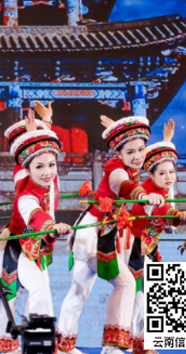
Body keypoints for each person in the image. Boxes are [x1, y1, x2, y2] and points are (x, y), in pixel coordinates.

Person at [57, 116, 165, 354]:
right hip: (93, 233)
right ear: (118, 153)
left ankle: (64, 346)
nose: (137, 156)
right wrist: (141, 195)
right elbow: (121, 184)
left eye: (141, 149)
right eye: (130, 152)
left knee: (80, 290)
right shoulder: (115, 168)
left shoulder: (131, 170)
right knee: (123, 283)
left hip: (100, 233)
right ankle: (112, 346)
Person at [0, 110, 71, 354]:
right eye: (40, 166)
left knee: (4, 299)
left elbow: (45, 157)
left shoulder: (49, 181)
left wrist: (46, 123)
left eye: (52, 165)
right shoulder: (25, 193)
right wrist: (52, 228)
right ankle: (39, 348)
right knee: (33, 293)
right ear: (27, 166)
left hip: (35, 249)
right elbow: (35, 215)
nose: (47, 171)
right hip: (18, 248)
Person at [127, 120, 186, 354]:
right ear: (151, 174)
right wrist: (177, 214)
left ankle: (143, 344)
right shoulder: (147, 193)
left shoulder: (164, 187)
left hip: (150, 247)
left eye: (172, 172)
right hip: (133, 247)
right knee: (136, 298)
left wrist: (167, 141)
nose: (168, 177)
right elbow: (160, 209)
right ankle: (125, 343)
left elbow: (167, 199)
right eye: (162, 173)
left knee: (151, 295)